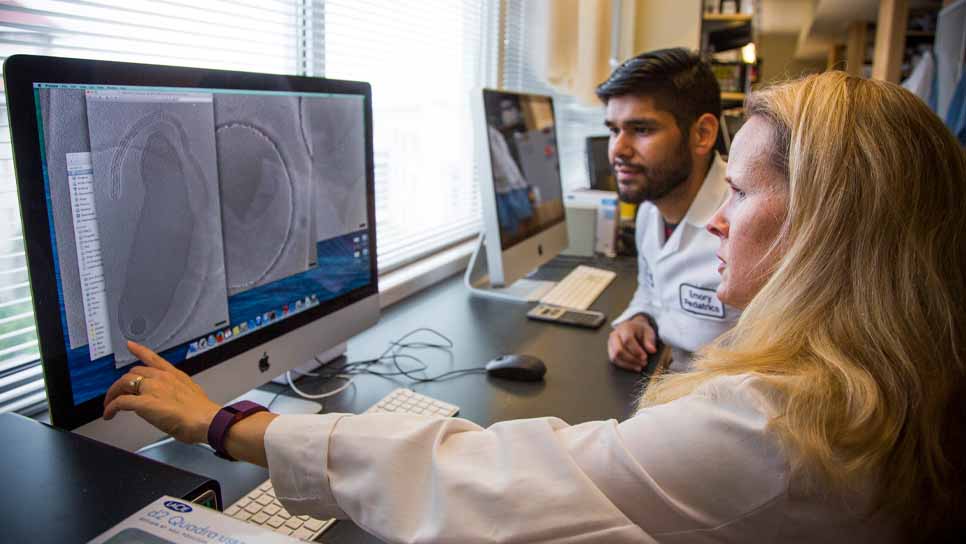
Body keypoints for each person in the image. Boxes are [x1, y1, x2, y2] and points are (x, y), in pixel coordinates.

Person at [104, 72, 966, 542]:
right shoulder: (889, 377)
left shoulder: (780, 423)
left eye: (739, 192)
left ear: (828, 229)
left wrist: (225, 426)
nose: (720, 218)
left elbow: (481, 482)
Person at [597, 48, 739, 373]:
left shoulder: (748, 223)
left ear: (702, 134)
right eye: (613, 130)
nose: (618, 149)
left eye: (642, 130)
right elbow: (652, 287)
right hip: (669, 386)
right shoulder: (651, 207)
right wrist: (639, 317)